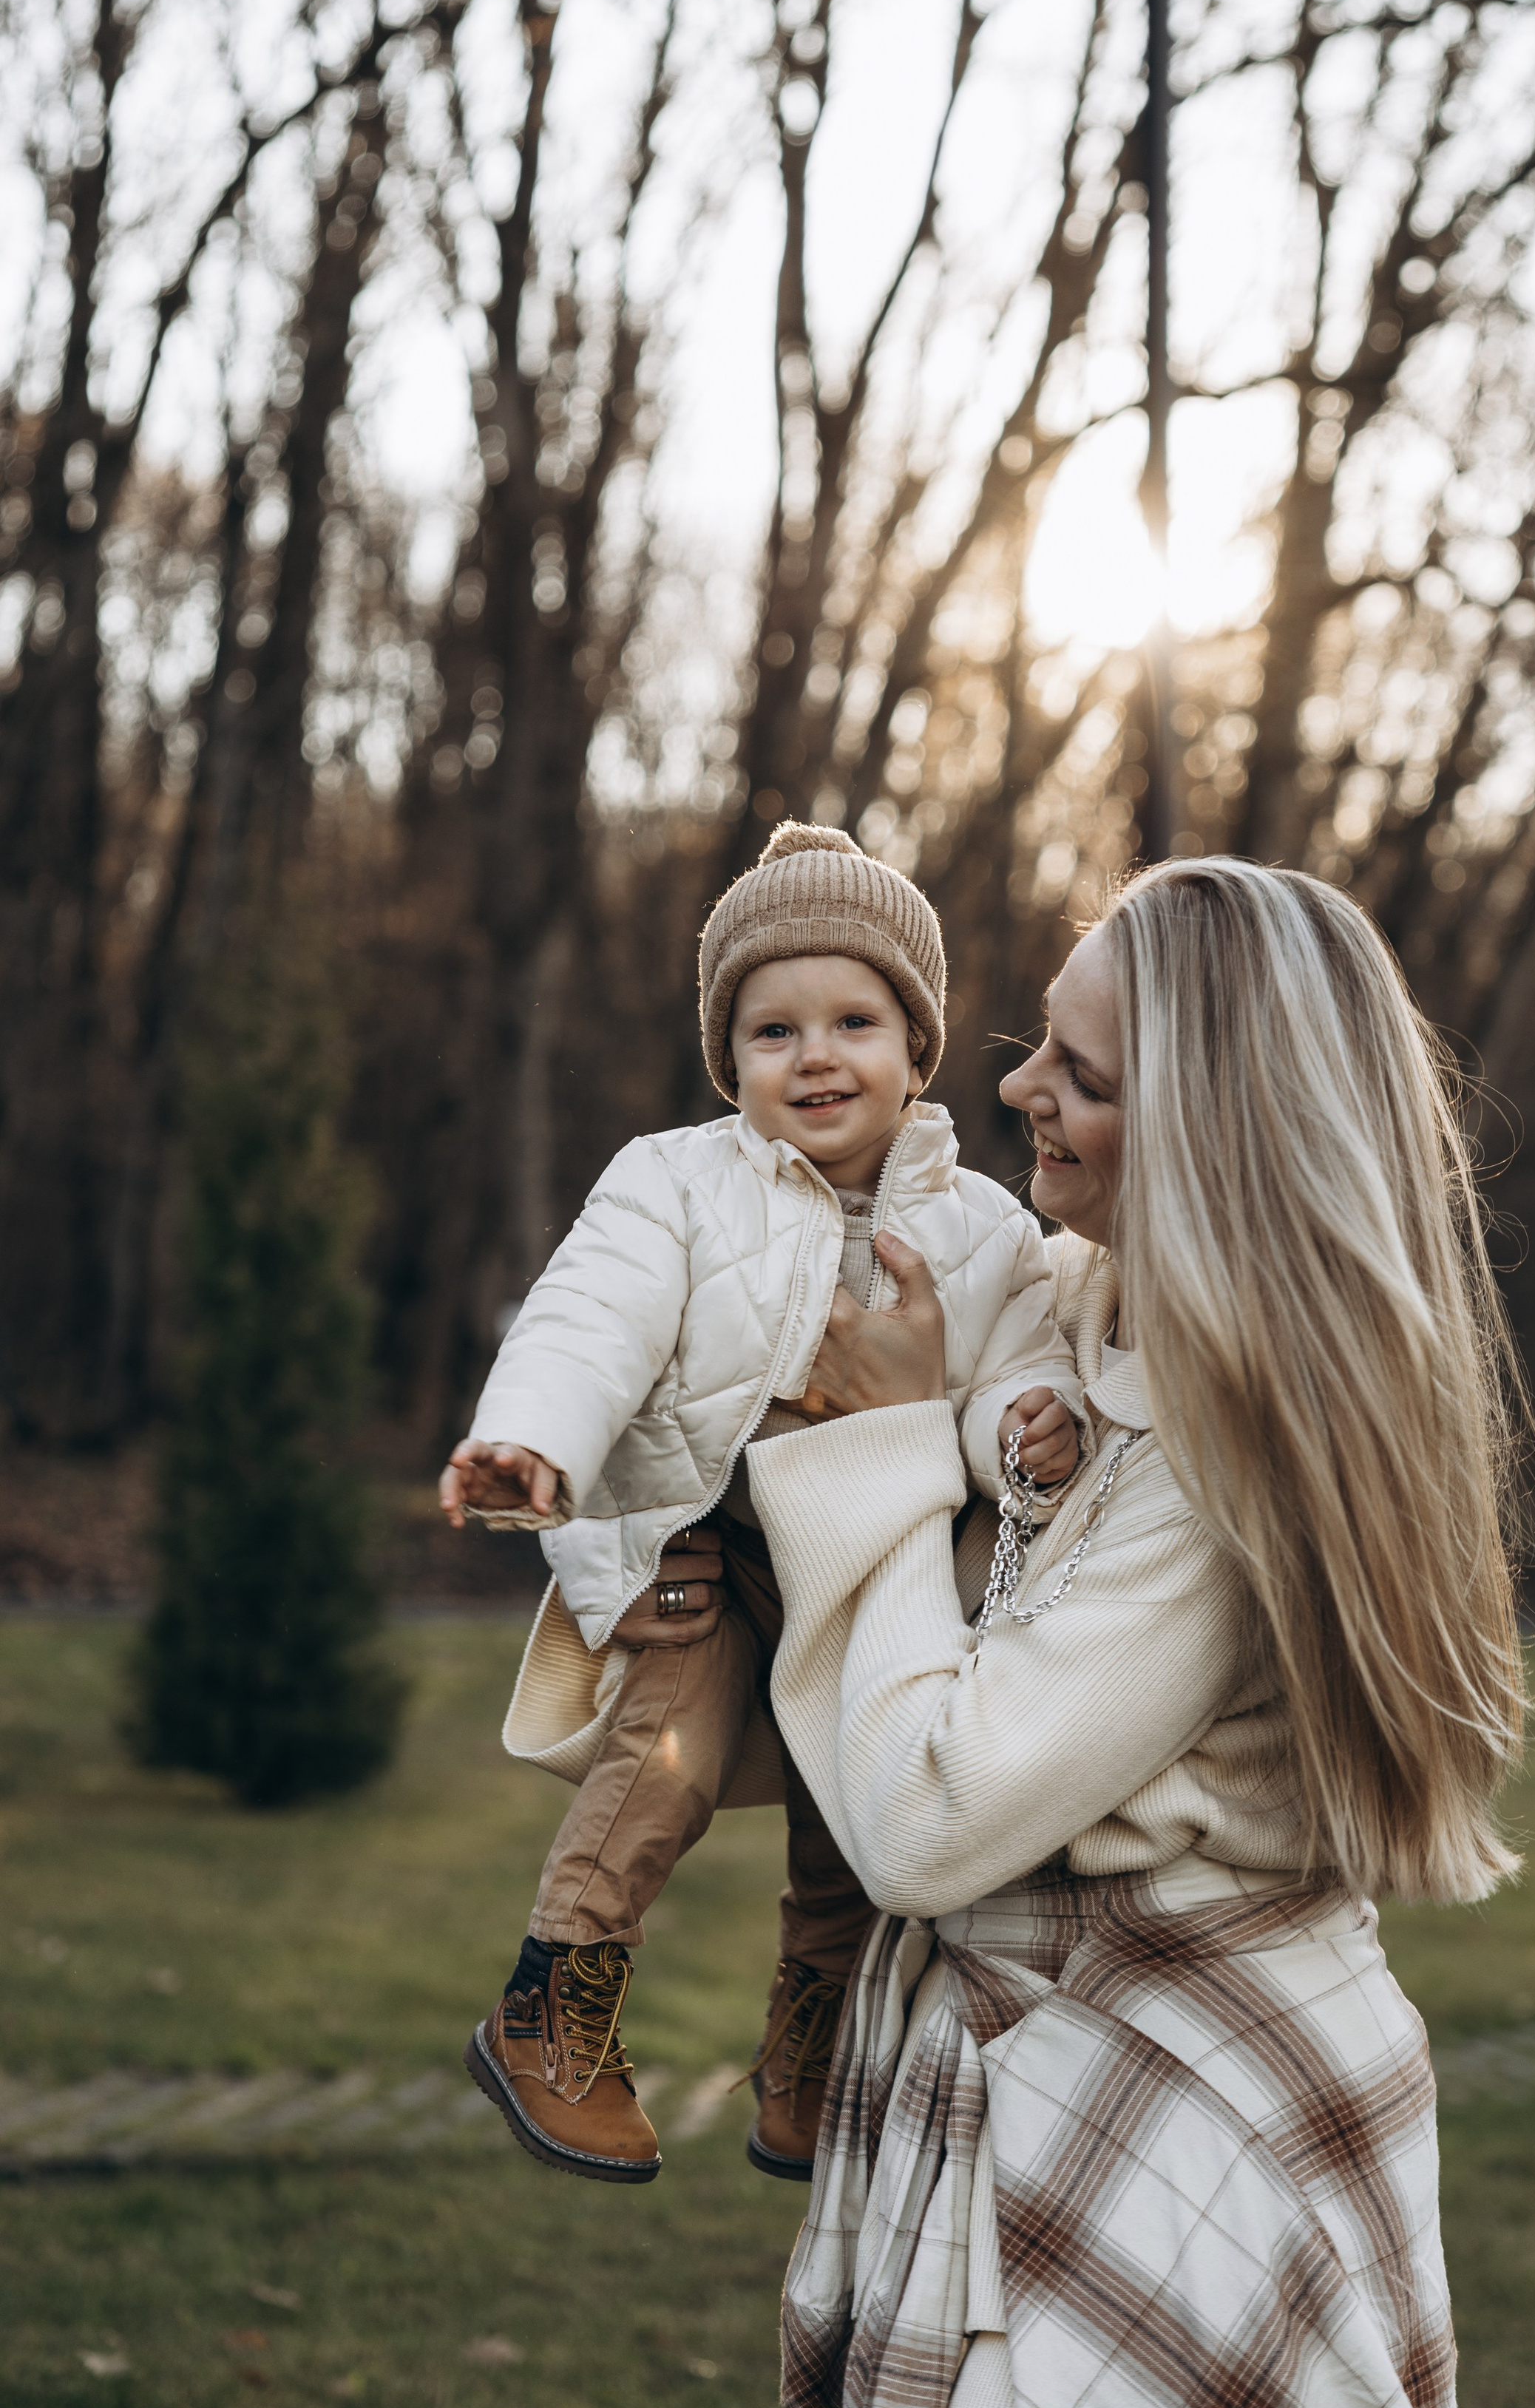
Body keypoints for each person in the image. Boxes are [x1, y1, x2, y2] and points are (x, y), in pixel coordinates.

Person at [747, 856, 1528, 2408]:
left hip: (1179, 2095)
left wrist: (865, 1456)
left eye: (1081, 1075)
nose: (1015, 1085)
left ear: (1213, 1141)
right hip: (1043, 2059)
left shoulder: (1227, 1460)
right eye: (1042, 1041)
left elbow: (930, 1815)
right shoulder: (1074, 1300)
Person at [438, 823, 1084, 2186]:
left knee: (856, 1812)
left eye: (855, 1020)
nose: (816, 1056)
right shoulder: (674, 1182)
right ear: (728, 1059)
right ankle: (555, 2003)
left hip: (859, 1559)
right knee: (664, 1757)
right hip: (706, 1547)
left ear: (918, 1047)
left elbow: (1007, 1374)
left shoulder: (985, 1227)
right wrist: (530, 1438)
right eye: (772, 1029)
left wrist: (1026, 1434)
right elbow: (589, 1321)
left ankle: (814, 2049)